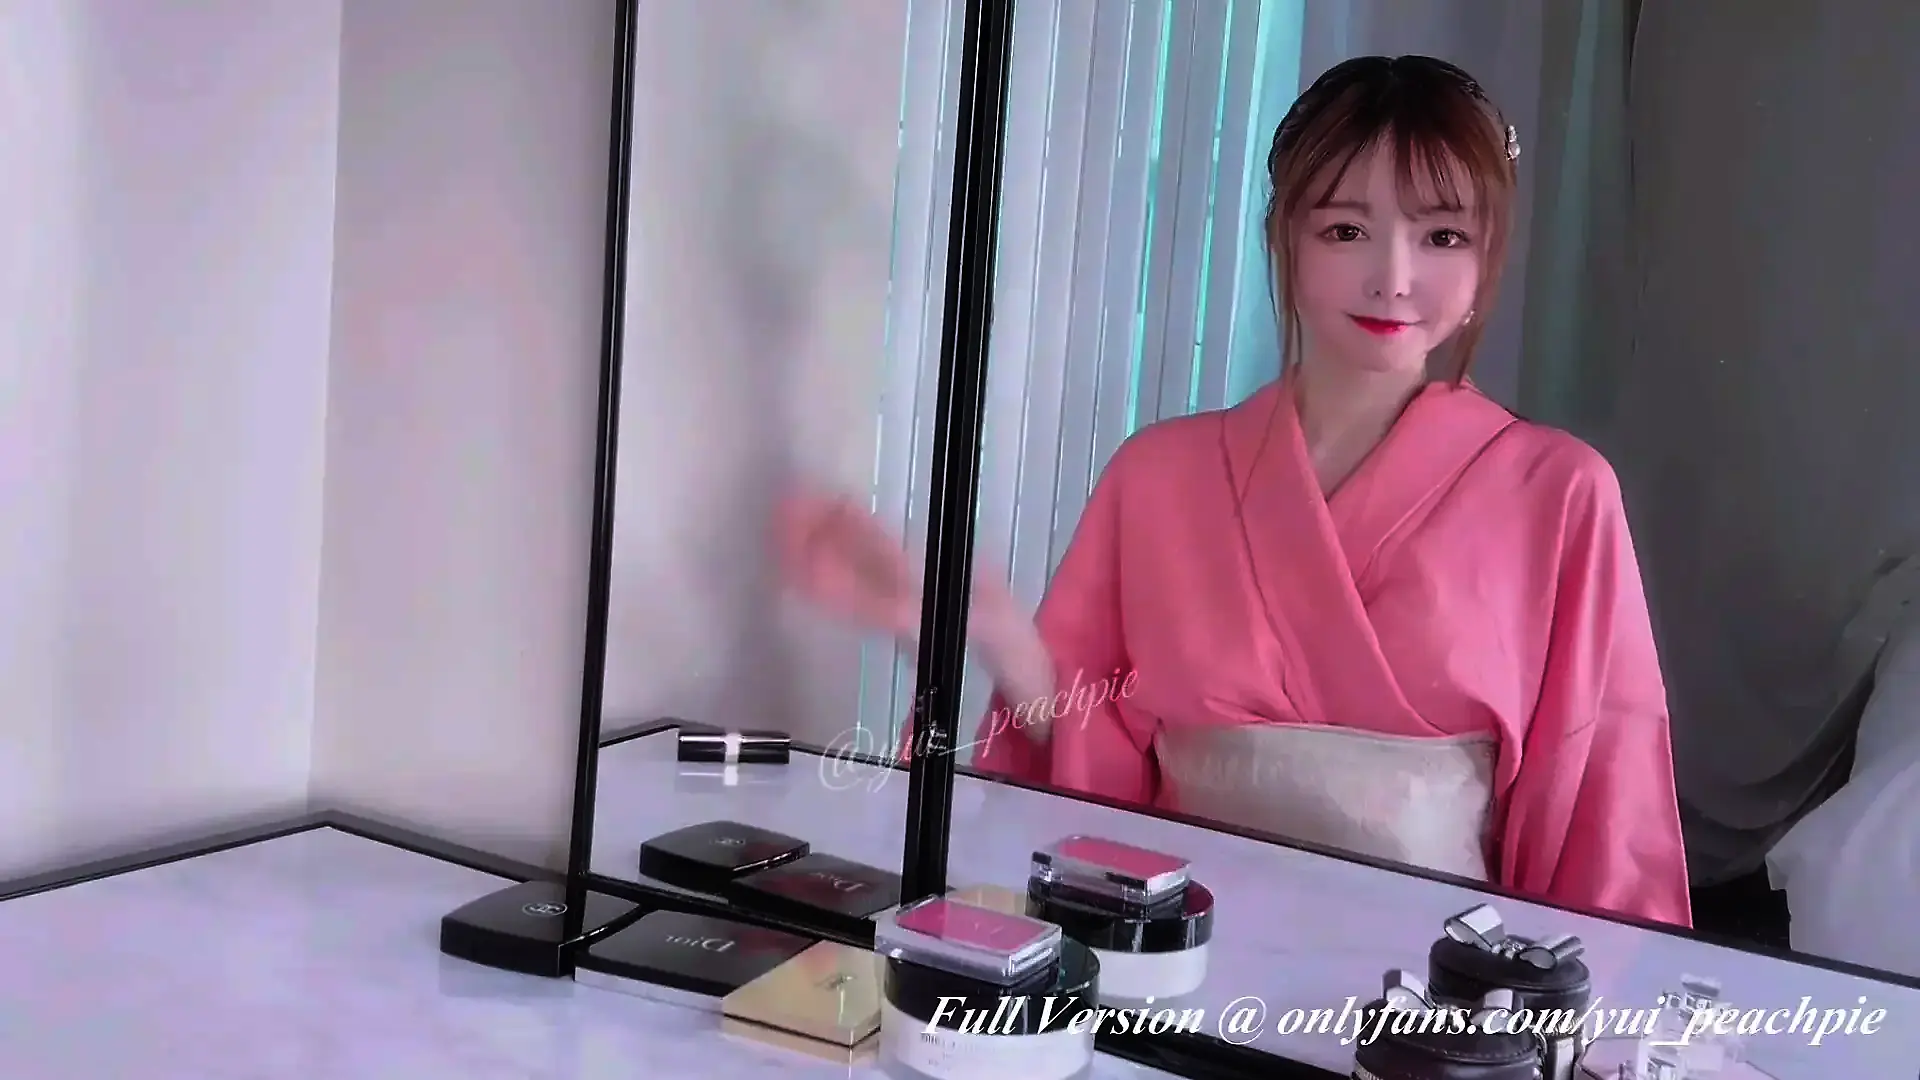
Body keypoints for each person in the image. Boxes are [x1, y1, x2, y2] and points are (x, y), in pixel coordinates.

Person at [777, 56, 1691, 927]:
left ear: (1489, 253)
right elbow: (1089, 769)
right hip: (1176, 960)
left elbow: (1603, 810)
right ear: (1283, 237)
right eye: (1345, 230)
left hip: (1429, 984)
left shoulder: (1560, 493)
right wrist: (995, 639)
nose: (1394, 277)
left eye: (1442, 236)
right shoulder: (1158, 475)